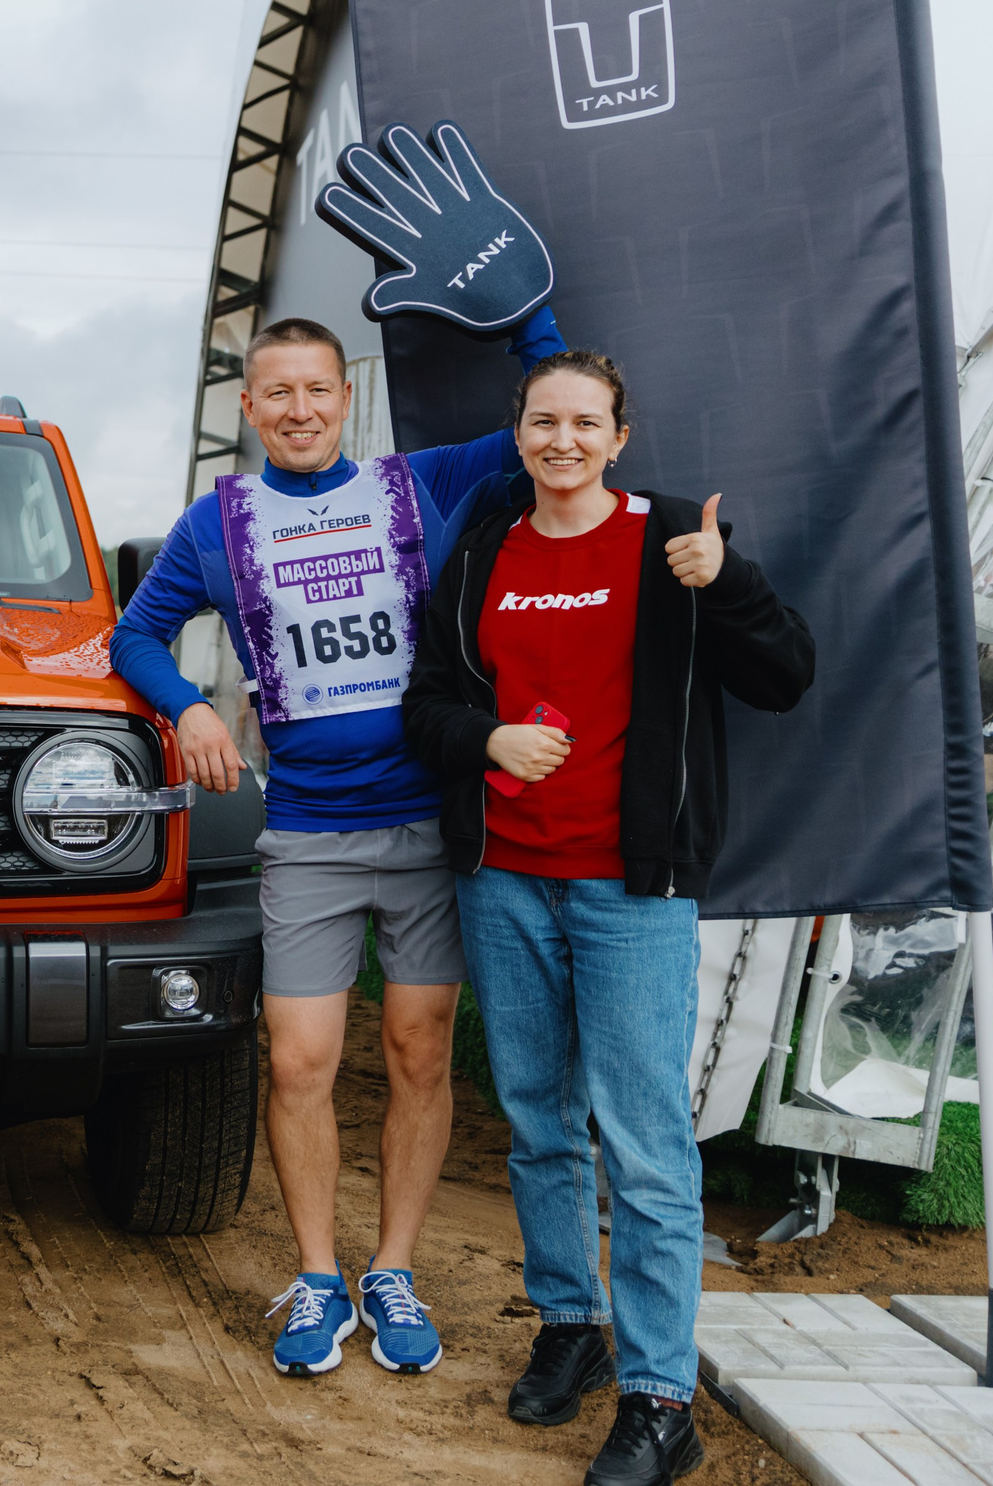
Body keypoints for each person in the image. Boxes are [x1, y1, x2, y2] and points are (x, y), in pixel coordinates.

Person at [112, 308, 564, 1378]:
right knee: (301, 1059)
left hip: (424, 821)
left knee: (417, 1052)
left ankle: (392, 1267)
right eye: (278, 393)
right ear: (249, 407)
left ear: (344, 395)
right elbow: (133, 630)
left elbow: (546, 428)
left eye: (317, 389)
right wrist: (190, 704)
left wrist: (532, 321)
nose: (300, 409)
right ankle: (318, 1275)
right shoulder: (215, 522)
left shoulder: (420, 484)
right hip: (308, 829)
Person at [402, 352, 812, 1486]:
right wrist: (485, 739)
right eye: (544, 421)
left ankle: (657, 1397)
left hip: (634, 890)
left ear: (619, 435)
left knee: (643, 1145)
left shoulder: (672, 537)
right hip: (503, 877)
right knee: (537, 1121)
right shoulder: (485, 547)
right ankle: (571, 1326)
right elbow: (426, 698)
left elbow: (786, 675)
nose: (563, 439)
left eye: (585, 422)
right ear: (519, 431)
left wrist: (723, 581)